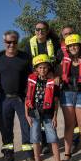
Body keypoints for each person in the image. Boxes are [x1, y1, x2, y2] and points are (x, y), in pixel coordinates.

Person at [0, 30, 35, 161]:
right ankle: (8, 155)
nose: (11, 44)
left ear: (18, 42)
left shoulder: (25, 57)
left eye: (14, 42)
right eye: (8, 42)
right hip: (4, 98)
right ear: (4, 42)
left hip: (21, 98)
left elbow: (32, 77)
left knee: (27, 126)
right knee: (5, 128)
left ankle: (29, 154)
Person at [25, 54, 70, 161]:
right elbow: (27, 97)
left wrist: (55, 116)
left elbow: (55, 101)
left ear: (48, 68)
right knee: (35, 139)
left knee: (53, 139)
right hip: (33, 114)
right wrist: (26, 114)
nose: (42, 70)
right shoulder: (31, 80)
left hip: (48, 115)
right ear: (36, 69)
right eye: (40, 68)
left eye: (45, 67)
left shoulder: (52, 82)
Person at [24, 21, 60, 154]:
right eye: (37, 29)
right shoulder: (30, 44)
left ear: (47, 31)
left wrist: (55, 75)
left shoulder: (54, 42)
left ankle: (47, 143)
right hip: (36, 80)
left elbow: (59, 60)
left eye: (43, 29)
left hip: (50, 80)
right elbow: (28, 63)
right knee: (37, 112)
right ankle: (41, 144)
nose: (40, 32)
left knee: (48, 110)